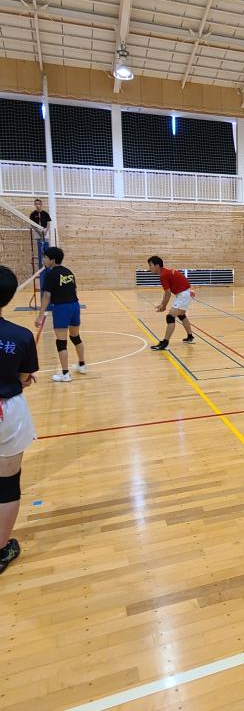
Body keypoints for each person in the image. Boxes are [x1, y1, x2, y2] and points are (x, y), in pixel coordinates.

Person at [0, 266, 39, 574]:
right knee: (7, 484)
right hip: (7, 412)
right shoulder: (21, 336)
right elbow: (25, 378)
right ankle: (1, 549)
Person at [35, 247, 86, 382]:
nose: (43, 260)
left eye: (45, 258)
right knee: (75, 337)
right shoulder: (69, 272)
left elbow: (46, 295)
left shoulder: (50, 274)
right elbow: (75, 290)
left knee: (61, 343)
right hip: (75, 306)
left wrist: (40, 316)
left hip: (62, 308)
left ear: (52, 260)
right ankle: (82, 365)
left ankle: (65, 374)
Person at [147, 256, 195, 350]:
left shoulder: (163, 275)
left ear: (157, 266)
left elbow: (168, 293)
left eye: (150, 265)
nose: (149, 268)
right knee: (181, 315)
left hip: (184, 294)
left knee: (170, 316)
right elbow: (167, 292)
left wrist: (164, 306)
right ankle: (190, 337)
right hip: (186, 292)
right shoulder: (165, 272)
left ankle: (165, 343)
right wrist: (162, 304)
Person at [29, 199, 51, 270]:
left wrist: (46, 232)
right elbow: (32, 224)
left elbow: (48, 223)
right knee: (40, 251)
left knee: (47, 251)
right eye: (36, 204)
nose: (38, 205)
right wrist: (38, 232)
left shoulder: (45, 213)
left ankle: (48, 267)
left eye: (39, 204)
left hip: (45, 232)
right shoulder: (33, 214)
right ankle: (41, 268)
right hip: (37, 232)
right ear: (34, 205)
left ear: (41, 205)